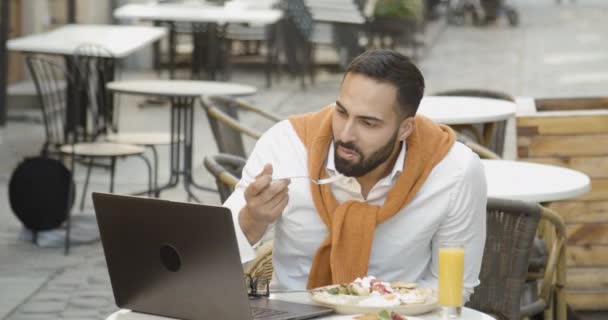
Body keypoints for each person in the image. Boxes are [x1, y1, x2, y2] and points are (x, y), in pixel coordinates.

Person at [224, 49, 487, 299]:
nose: (346, 134)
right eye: (341, 112)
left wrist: (382, 309)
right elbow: (212, 256)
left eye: (368, 123)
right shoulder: (286, 145)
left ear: (405, 129)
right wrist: (252, 219)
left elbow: (453, 286)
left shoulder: (453, 171)